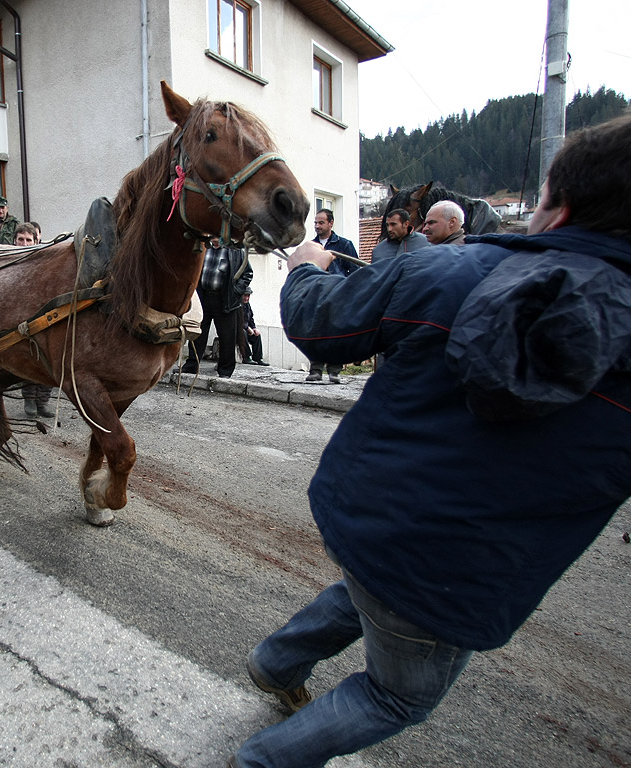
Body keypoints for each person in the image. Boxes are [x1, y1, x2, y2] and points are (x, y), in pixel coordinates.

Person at [231, 115, 631, 768]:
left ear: (556, 210)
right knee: (397, 694)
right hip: (465, 577)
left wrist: (304, 270)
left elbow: (320, 324)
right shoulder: (452, 264)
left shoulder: (455, 270)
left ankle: (274, 665)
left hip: (377, 519)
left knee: (373, 593)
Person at [180, 237, 252, 378]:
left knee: (227, 337)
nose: (214, 240)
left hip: (225, 299)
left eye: (217, 237)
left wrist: (236, 291)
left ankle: (225, 371)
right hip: (204, 297)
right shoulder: (204, 248)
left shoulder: (236, 251)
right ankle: (191, 366)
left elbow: (247, 273)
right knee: (197, 333)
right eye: (212, 237)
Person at [305, 209, 358, 383]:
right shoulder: (311, 246)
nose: (317, 226)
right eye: (315, 223)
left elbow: (355, 270)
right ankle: (316, 370)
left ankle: (334, 371)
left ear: (331, 223)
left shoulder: (344, 245)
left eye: (321, 222)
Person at [13, 223, 54, 417]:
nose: (24, 243)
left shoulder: (44, 260)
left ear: (36, 241)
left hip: (44, 317)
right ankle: (29, 399)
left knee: (50, 363)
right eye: (21, 239)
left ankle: (42, 402)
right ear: (15, 241)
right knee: (29, 361)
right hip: (20, 319)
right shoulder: (9, 262)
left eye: (28, 240)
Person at [240, 288, 268, 366]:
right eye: (245, 296)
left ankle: (258, 358)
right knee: (243, 332)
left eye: (248, 296)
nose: (247, 298)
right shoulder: (236, 305)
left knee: (257, 335)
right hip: (236, 332)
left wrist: (254, 328)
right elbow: (237, 321)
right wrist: (247, 328)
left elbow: (250, 319)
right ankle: (246, 357)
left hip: (246, 329)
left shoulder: (247, 306)